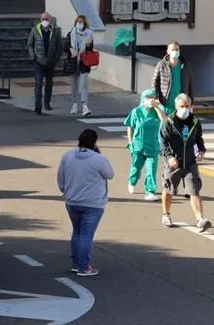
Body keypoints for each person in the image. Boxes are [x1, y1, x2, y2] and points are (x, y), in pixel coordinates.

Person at [56, 128, 114, 277]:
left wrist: (64, 189)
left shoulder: (67, 156)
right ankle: (84, 266)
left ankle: (76, 263)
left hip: (72, 200)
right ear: (94, 142)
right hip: (93, 202)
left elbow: (61, 177)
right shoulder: (98, 159)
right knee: (86, 235)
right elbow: (110, 174)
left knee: (77, 231)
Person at [159, 93, 212, 232]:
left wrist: (201, 150)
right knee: (169, 188)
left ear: (191, 106)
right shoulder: (169, 121)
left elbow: (199, 138)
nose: (185, 109)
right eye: (182, 106)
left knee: (194, 190)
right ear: (176, 107)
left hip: (190, 162)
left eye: (187, 106)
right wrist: (169, 157)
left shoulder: (194, 120)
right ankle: (166, 215)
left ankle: (200, 219)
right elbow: (163, 142)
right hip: (173, 162)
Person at [124, 89, 163, 201]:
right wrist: (130, 143)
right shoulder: (136, 111)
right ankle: (132, 182)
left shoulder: (156, 111)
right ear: (144, 99)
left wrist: (156, 107)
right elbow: (130, 127)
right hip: (138, 145)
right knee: (136, 167)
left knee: (151, 169)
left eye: (153, 97)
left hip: (153, 146)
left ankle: (150, 192)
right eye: (149, 98)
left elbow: (164, 120)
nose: (152, 99)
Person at [26, 12, 62, 116]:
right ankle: (38, 106)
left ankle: (47, 102)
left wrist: (56, 58)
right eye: (43, 19)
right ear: (40, 20)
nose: (45, 21)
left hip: (50, 61)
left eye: (47, 19)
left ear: (49, 19)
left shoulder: (55, 31)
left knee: (49, 83)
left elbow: (59, 46)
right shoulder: (35, 30)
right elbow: (30, 44)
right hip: (39, 61)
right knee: (39, 83)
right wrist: (33, 56)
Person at [152, 41, 195, 112]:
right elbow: (155, 82)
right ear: (168, 51)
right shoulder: (161, 65)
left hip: (181, 104)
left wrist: (192, 102)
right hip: (165, 104)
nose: (175, 51)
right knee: (165, 122)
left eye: (177, 49)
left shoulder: (185, 65)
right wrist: (155, 97)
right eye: (172, 50)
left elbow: (190, 84)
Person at [68, 14, 94, 116]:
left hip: (84, 63)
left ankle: (85, 106)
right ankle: (74, 104)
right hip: (73, 62)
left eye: (81, 22)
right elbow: (66, 45)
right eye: (78, 22)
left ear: (85, 24)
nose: (79, 24)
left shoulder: (90, 34)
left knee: (84, 85)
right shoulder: (71, 33)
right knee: (74, 85)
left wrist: (87, 46)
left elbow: (91, 50)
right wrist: (71, 49)